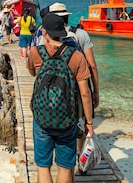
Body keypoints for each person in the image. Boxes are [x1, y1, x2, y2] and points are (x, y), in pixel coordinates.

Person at [26, 13, 94, 183]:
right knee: (65, 167)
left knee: (43, 167)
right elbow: (85, 94)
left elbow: (33, 72)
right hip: (67, 120)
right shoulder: (76, 56)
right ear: (63, 32)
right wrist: (89, 123)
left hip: (42, 118)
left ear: (44, 33)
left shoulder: (35, 52)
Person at [34, 2, 100, 162]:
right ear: (67, 16)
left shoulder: (45, 38)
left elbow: (38, 69)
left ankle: (57, 151)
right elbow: (92, 65)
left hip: (55, 91)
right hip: (79, 86)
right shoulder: (81, 34)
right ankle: (80, 155)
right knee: (80, 122)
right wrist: (95, 91)